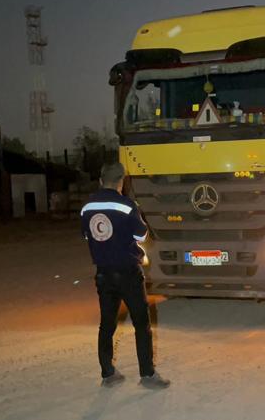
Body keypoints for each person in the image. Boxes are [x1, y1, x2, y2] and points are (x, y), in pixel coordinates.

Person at [81, 162, 170, 389]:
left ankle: (108, 373)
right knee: (141, 323)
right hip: (128, 273)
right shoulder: (126, 205)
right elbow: (141, 236)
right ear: (122, 181)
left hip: (103, 273)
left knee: (107, 324)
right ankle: (148, 375)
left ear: (101, 180)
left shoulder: (87, 207)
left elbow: (87, 236)